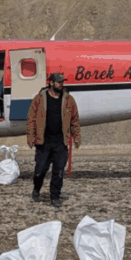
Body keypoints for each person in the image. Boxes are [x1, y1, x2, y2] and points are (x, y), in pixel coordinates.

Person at [26, 71, 81, 208]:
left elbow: (75, 120)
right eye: (58, 82)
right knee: (40, 170)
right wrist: (31, 137)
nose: (61, 84)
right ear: (51, 83)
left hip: (60, 143)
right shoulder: (39, 98)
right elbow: (31, 119)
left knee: (59, 171)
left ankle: (55, 196)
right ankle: (36, 189)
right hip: (43, 142)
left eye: (62, 82)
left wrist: (76, 136)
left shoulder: (69, 100)